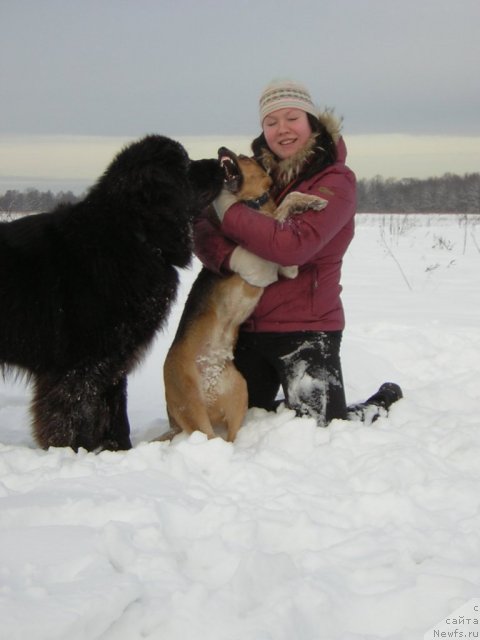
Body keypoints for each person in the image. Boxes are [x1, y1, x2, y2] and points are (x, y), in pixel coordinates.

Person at [193, 79, 402, 426]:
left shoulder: (335, 179)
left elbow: (292, 245)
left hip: (307, 329)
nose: (282, 130)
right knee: (233, 423)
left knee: (322, 430)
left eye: (292, 118)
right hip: (245, 327)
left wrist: (227, 210)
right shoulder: (253, 176)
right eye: (271, 122)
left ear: (311, 122)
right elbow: (201, 227)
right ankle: (285, 406)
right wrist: (231, 258)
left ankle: (380, 402)